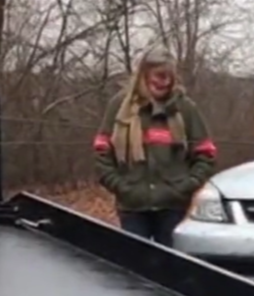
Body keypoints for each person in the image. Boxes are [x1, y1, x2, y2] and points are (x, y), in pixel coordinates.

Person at [93, 47, 217, 246]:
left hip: (173, 206)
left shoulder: (185, 108)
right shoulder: (120, 106)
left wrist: (186, 186)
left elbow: (206, 153)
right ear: (144, 74)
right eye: (159, 76)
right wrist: (120, 186)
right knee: (135, 260)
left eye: (169, 77)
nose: (164, 82)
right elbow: (102, 152)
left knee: (169, 262)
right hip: (132, 205)